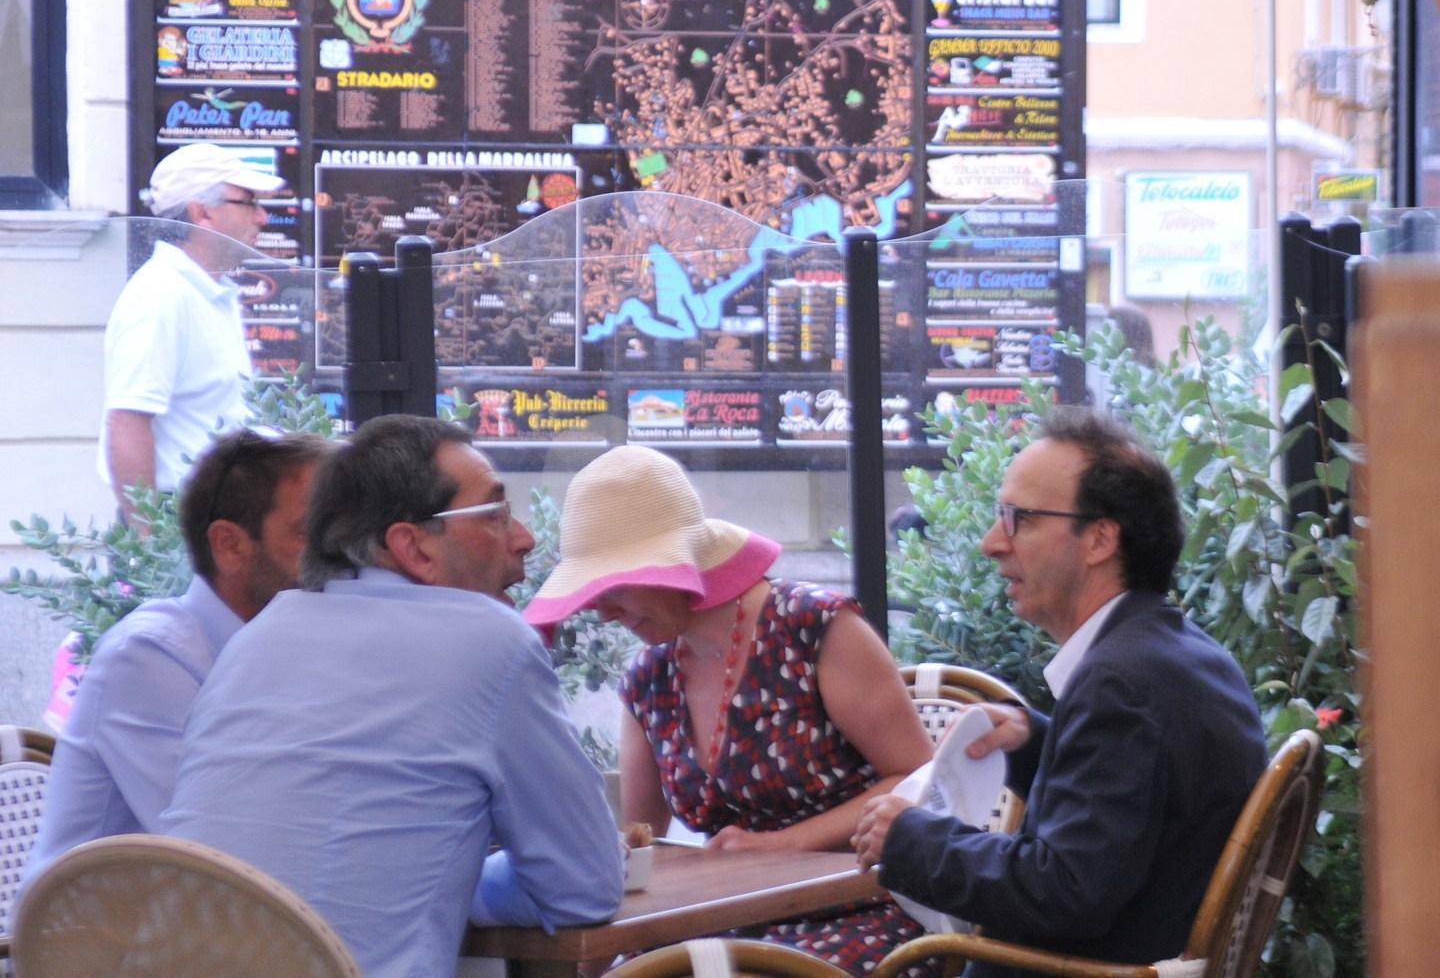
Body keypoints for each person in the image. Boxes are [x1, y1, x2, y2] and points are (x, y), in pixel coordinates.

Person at [159, 415, 622, 977]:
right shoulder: (490, 642)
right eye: (495, 515)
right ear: (414, 549)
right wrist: (458, 887)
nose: (524, 538)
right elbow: (585, 888)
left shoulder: (253, 639)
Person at [853, 407, 1267, 974]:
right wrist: (1035, 741)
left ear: (1099, 539)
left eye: (1018, 518)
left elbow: (1066, 894)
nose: (991, 543)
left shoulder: (1120, 684)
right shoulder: (1176, 653)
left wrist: (911, 840)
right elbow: (1144, 808)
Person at [525, 444, 933, 976]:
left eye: (611, 588)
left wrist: (780, 845)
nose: (602, 612)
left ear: (669, 568)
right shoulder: (649, 678)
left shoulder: (814, 628)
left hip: (859, 905)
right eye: (590, 594)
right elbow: (640, 836)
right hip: (719, 923)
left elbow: (917, 778)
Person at [27, 428, 331, 881]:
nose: (339, 556)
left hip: (219, 928)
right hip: (104, 942)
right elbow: (228, 850)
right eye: (312, 533)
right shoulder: (148, 657)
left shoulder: (295, 645)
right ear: (230, 546)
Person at [100, 141, 286, 525]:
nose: (263, 217)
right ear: (202, 212)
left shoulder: (202, 291)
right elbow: (128, 420)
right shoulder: (161, 295)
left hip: (213, 510)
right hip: (177, 516)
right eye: (249, 202)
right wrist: (146, 542)